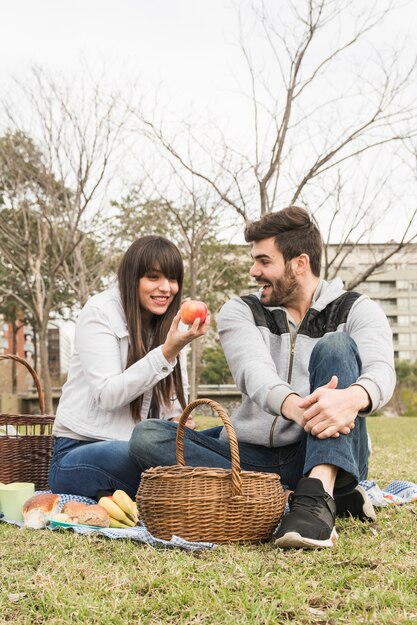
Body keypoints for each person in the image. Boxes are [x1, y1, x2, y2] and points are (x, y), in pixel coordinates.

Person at [128, 207, 395, 549]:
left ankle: (318, 489)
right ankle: (311, 493)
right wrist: (298, 409)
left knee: (336, 346)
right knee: (148, 437)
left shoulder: (357, 309)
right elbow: (254, 373)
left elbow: (381, 371)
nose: (254, 271)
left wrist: (351, 398)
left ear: (300, 263)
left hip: (319, 446)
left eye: (264, 261)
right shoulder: (240, 311)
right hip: (250, 457)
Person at [49, 235, 209, 500]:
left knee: (222, 438)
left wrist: (176, 421)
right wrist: (167, 351)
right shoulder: (100, 312)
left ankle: (224, 479)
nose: (166, 288)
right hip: (79, 453)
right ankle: (230, 487)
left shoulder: (169, 322)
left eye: (172, 279)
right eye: (153, 277)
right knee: (149, 453)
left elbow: (172, 405)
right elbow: (108, 395)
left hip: (142, 446)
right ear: (132, 278)